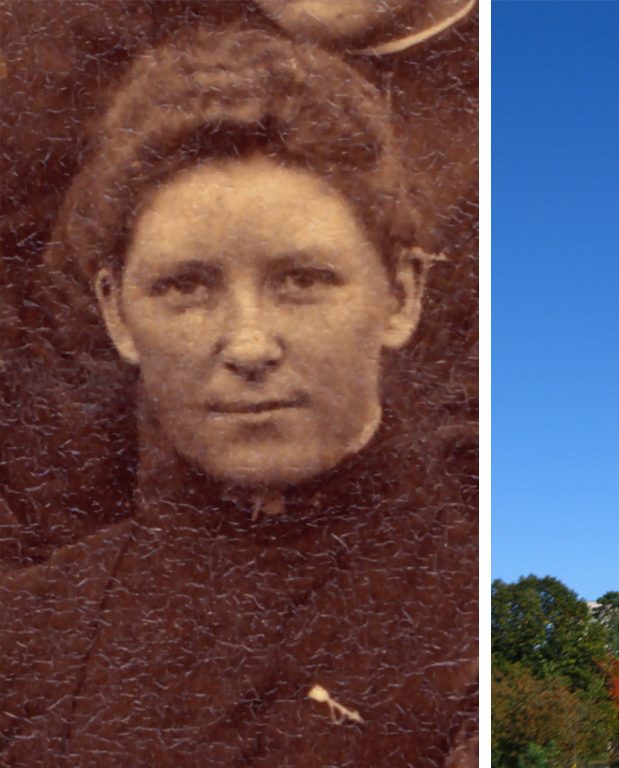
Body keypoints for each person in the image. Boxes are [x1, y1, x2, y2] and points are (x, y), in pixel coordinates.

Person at [0, 26, 476, 767]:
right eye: (185, 287)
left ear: (400, 295)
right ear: (116, 312)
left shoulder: (478, 623)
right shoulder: (31, 637)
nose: (249, 345)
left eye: (304, 281)